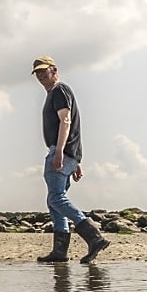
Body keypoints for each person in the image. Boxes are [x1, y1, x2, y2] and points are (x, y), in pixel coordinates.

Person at [33, 56, 110, 264]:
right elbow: (72, 126)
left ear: (54, 70)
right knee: (54, 201)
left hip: (61, 152)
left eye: (44, 71)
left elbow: (65, 121)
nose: (40, 75)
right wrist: (74, 160)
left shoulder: (59, 90)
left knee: (56, 198)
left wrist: (59, 152)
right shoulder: (55, 93)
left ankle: (95, 238)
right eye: (37, 72)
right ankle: (60, 252)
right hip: (69, 154)